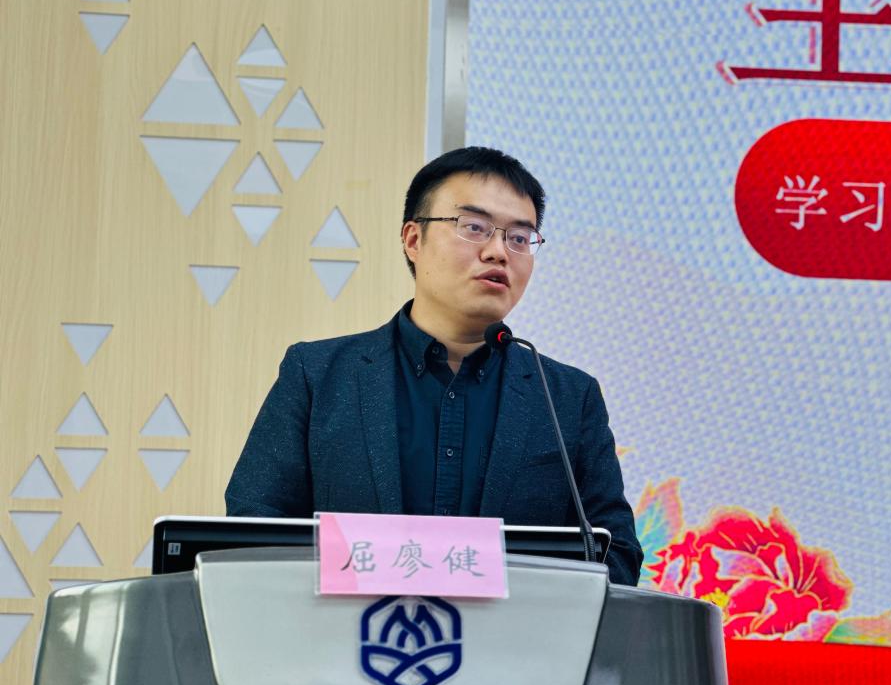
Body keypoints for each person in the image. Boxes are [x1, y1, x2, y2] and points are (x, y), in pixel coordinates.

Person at [225, 147, 642, 584]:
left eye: (520, 238)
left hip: (517, 630)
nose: (498, 252)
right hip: (343, 627)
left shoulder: (568, 398)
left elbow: (616, 555)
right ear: (413, 240)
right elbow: (255, 530)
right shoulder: (318, 375)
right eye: (474, 227)